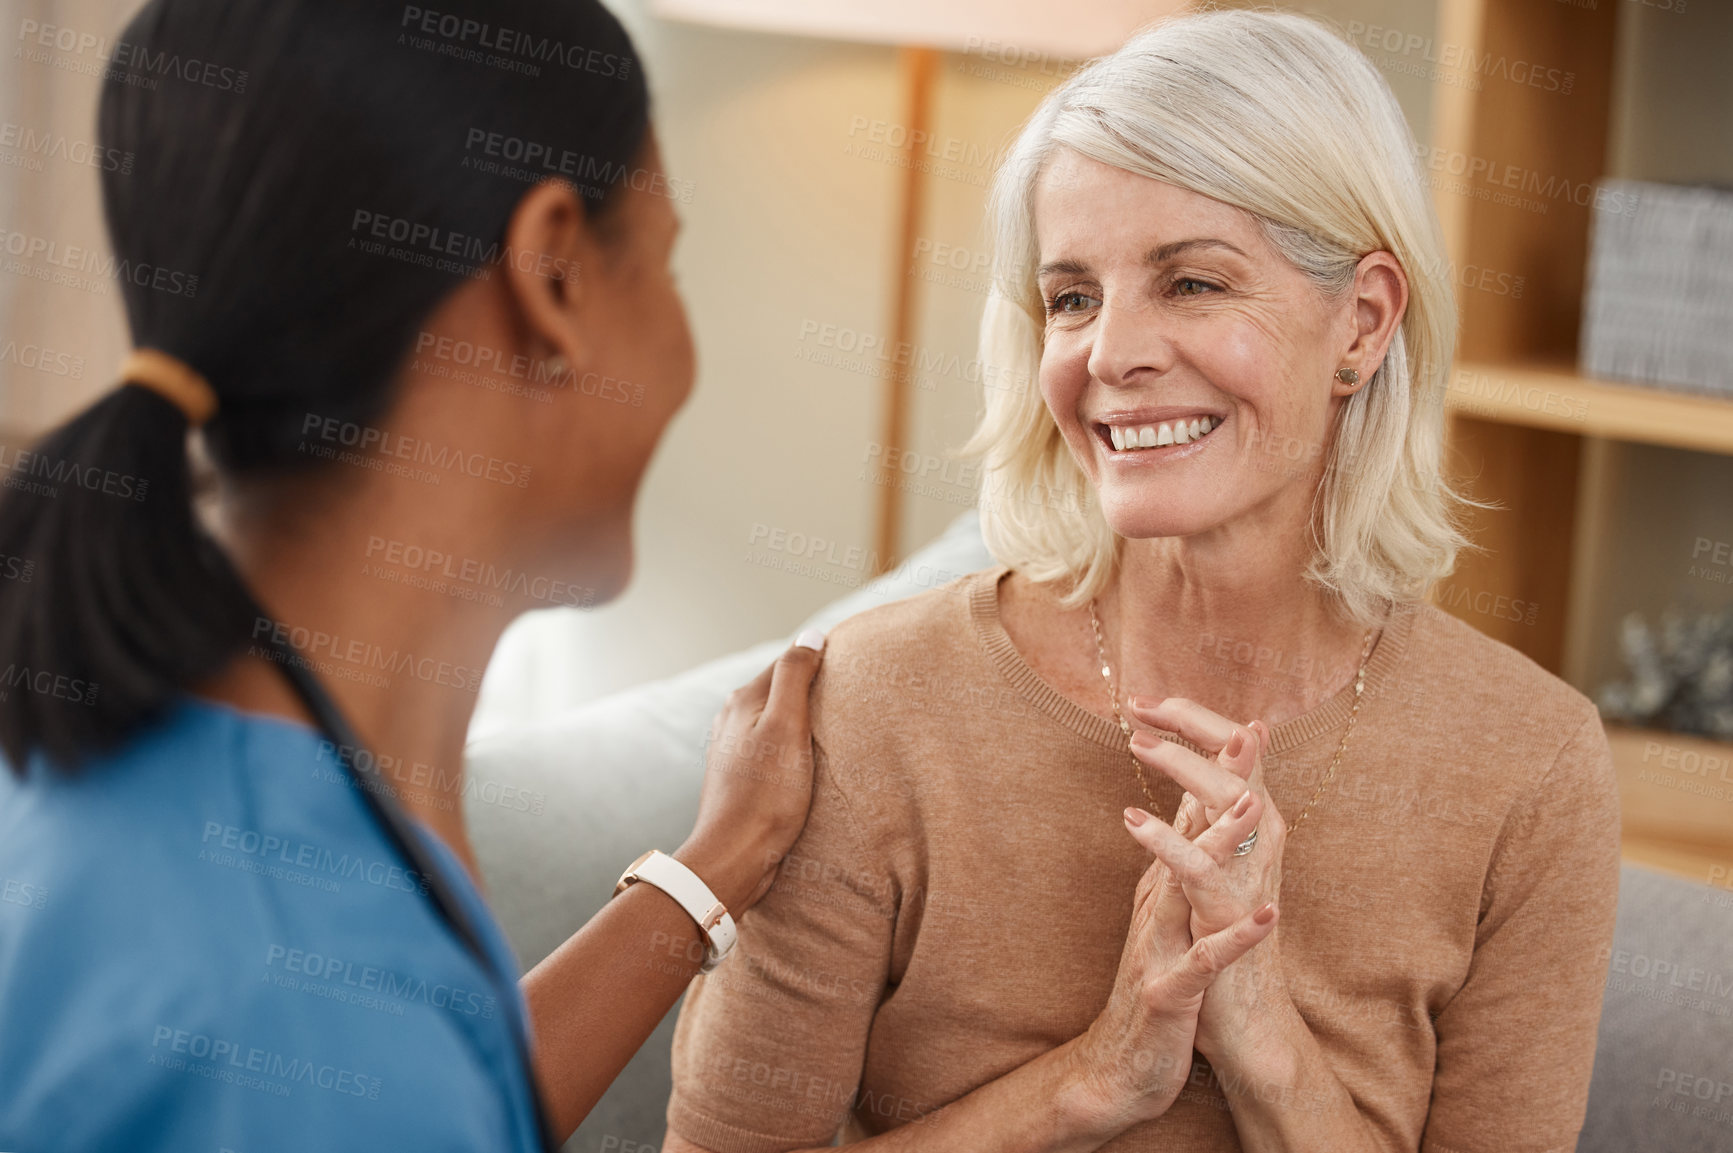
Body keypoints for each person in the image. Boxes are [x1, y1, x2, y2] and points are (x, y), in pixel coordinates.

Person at [663, 10, 1621, 1153]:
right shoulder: (873, 706)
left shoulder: (1528, 762)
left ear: (1360, 321)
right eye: (1070, 297)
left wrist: (1258, 1028)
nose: (1109, 354)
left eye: (1192, 284)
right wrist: (1095, 1075)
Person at [0, 1, 827, 1149]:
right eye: (666, 263)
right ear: (553, 275)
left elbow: (434, 1077)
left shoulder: (188, 770)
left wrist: (713, 867)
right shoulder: (291, 1004)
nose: (684, 355)